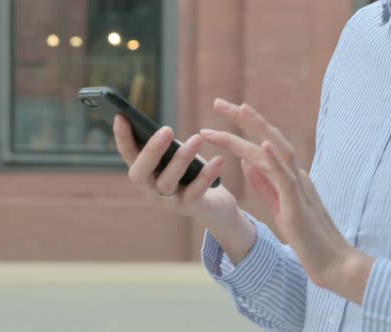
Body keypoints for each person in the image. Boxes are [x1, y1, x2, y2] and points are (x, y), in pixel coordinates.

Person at [112, 1, 391, 331]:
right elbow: (327, 308)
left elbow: (340, 271)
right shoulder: (365, 32)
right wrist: (228, 223)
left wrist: (345, 271)